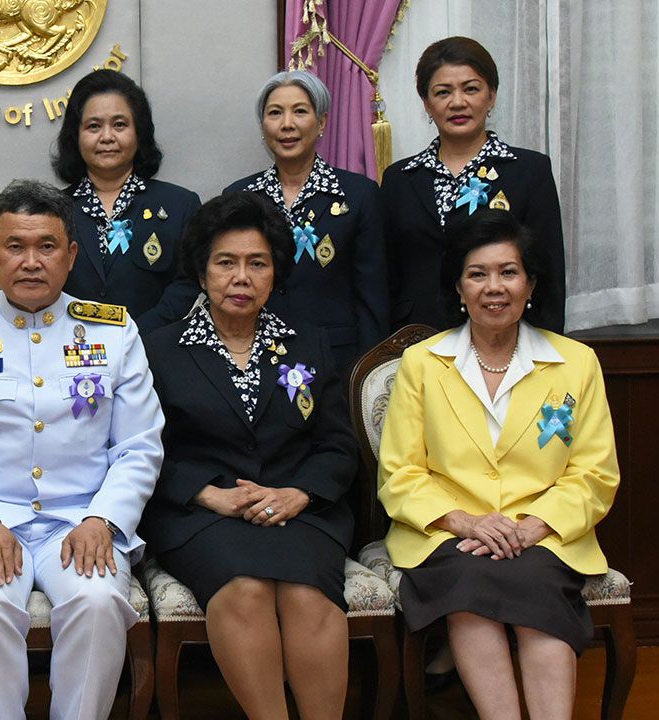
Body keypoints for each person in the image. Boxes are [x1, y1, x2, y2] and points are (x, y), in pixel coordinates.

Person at [0, 179, 164, 720]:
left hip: (81, 521)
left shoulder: (113, 332)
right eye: (15, 246)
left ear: (70, 255)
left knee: (98, 603)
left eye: (46, 246)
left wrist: (104, 520)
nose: (30, 261)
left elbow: (139, 447)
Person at [378, 209, 618, 719]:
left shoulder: (575, 362)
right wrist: (464, 520)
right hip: (449, 533)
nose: (494, 287)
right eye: (477, 273)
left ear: (530, 283)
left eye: (509, 272)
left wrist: (533, 527)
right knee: (467, 588)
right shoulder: (423, 363)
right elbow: (400, 473)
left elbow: (594, 474)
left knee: (536, 588)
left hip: (543, 531)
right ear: (459, 287)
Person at [142, 192, 357, 719]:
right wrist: (204, 492)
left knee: (307, 593)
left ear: (275, 273)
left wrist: (300, 492)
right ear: (201, 270)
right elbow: (139, 447)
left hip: (300, 510)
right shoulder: (158, 348)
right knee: (244, 590)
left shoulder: (308, 344)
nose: (241, 277)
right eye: (226, 262)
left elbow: (338, 444)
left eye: (257, 263)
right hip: (201, 515)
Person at [382, 36, 566, 332]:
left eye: (471, 89)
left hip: (505, 333)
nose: (458, 102)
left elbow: (549, 272)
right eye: (443, 92)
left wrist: (546, 346)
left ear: (491, 95)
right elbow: (387, 276)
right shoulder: (399, 178)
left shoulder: (530, 171)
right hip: (417, 336)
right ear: (427, 104)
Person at [224, 71, 388, 373]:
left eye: (300, 111)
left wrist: (369, 370)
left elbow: (372, 296)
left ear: (321, 122)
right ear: (263, 125)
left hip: (337, 362)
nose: (287, 124)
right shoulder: (240, 197)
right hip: (258, 357)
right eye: (275, 113)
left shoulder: (359, 195)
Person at [52, 69, 201, 333]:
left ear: (139, 132)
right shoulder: (53, 210)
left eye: (119, 125)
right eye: (93, 126)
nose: (107, 137)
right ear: (75, 136)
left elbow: (189, 283)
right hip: (69, 354)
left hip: (153, 353)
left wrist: (132, 338)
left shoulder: (180, 205)